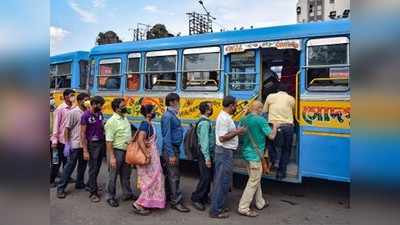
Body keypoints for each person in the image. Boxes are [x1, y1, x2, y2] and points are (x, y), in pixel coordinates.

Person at [237, 101, 278, 217]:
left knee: (255, 179)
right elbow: (272, 136)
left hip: (246, 153)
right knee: (253, 181)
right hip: (255, 156)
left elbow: (239, 131)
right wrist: (275, 126)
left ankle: (260, 202)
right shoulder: (261, 120)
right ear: (259, 109)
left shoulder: (244, 119)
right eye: (262, 109)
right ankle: (243, 207)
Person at [209, 95, 246, 219]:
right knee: (221, 181)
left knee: (224, 181)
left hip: (225, 152)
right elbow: (222, 138)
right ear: (231, 106)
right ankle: (215, 210)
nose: (236, 107)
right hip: (224, 152)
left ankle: (220, 206)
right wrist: (237, 132)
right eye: (235, 105)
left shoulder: (226, 117)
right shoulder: (224, 118)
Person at [131, 104, 166, 215]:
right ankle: (139, 203)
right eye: (153, 111)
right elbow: (140, 140)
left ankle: (148, 202)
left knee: (154, 179)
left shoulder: (148, 124)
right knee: (150, 180)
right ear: (148, 114)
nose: (155, 112)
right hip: (149, 157)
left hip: (152, 156)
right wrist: (147, 154)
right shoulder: (145, 125)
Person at [57, 93, 90, 198]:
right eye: (86, 100)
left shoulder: (88, 112)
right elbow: (67, 129)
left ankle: (79, 183)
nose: (87, 102)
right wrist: (67, 144)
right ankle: (61, 188)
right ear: (80, 101)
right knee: (69, 167)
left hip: (84, 145)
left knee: (82, 166)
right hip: (74, 145)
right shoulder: (74, 112)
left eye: (88, 100)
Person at [160, 93, 190, 213]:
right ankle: (176, 201)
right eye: (177, 101)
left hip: (173, 148)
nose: (179, 103)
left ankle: (168, 197)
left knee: (170, 175)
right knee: (174, 176)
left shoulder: (172, 114)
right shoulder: (168, 116)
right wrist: (171, 154)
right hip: (171, 149)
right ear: (172, 102)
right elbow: (166, 137)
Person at [104, 98, 134, 207]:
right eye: (123, 106)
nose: (125, 107)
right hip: (117, 151)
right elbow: (109, 141)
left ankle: (127, 193)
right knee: (113, 175)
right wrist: (112, 157)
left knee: (126, 174)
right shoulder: (111, 122)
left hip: (126, 151)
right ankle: (110, 197)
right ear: (117, 109)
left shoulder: (124, 118)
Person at [263, 83, 295, 180]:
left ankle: (273, 159)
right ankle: (280, 173)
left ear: (277, 90)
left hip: (273, 126)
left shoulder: (270, 96)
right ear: (287, 91)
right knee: (286, 150)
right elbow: (293, 111)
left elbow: (264, 111)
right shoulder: (291, 98)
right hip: (287, 127)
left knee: (269, 144)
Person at [81, 95, 106, 203]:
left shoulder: (99, 114)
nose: (101, 107)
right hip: (92, 145)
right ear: (94, 104)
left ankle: (91, 184)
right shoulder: (85, 116)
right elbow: (82, 134)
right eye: (100, 105)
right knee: (93, 168)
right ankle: (93, 193)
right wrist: (85, 150)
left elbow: (101, 126)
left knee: (97, 167)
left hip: (101, 143)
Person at [191, 101, 215, 211]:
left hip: (206, 153)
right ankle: (196, 198)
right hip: (204, 153)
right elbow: (204, 142)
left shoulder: (205, 121)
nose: (212, 109)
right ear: (207, 110)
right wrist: (207, 158)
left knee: (208, 176)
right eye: (211, 107)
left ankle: (204, 196)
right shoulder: (204, 123)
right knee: (205, 177)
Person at [50, 89, 76, 187]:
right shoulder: (60, 109)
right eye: (71, 95)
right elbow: (56, 125)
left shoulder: (74, 108)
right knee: (56, 162)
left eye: (74, 95)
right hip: (58, 141)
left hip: (68, 141)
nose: (73, 97)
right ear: (65, 97)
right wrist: (54, 141)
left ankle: (66, 177)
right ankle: (51, 180)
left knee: (67, 162)